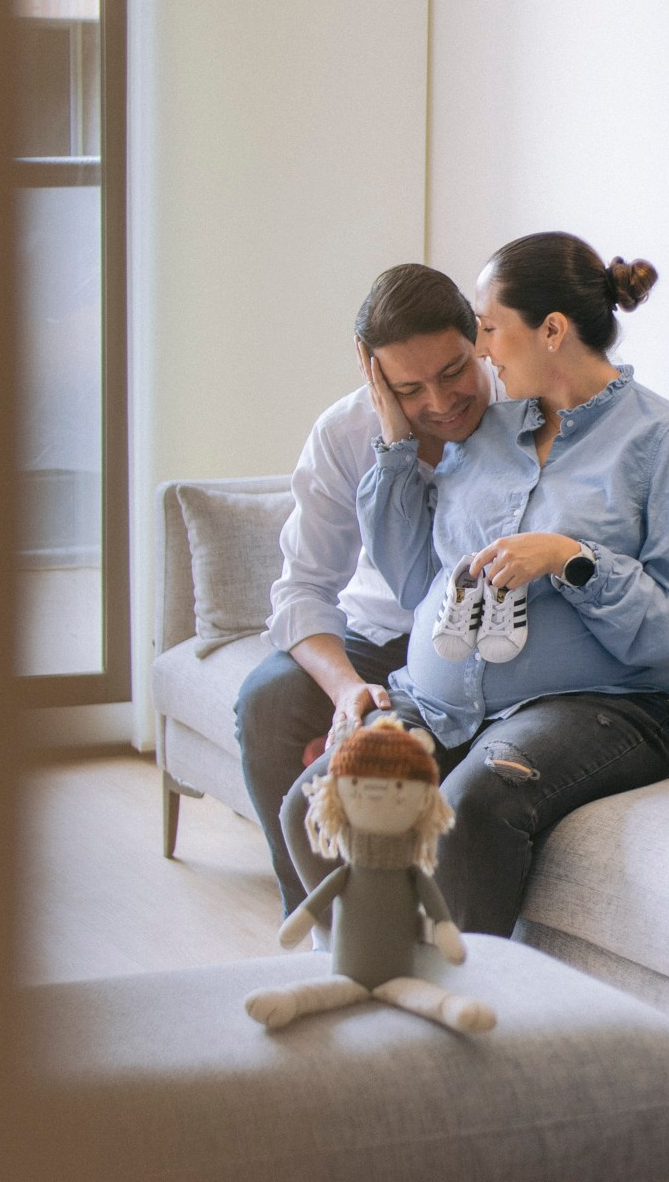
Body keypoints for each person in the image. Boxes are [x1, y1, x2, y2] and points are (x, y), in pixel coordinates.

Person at [281, 231, 669, 937]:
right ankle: (379, 984)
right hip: (446, 704)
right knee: (314, 800)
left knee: (477, 804)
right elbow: (418, 584)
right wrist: (396, 442)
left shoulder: (667, 440)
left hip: (611, 706)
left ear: (551, 330)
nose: (483, 352)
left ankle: (470, 1025)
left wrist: (571, 557)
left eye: (488, 329)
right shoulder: (486, 437)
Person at [236, 264, 502, 915]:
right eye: (409, 387)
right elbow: (302, 589)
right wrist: (348, 688)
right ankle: (322, 923)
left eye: (452, 372)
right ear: (373, 373)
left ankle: (411, 922)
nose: (439, 403)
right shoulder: (344, 432)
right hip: (376, 635)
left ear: (476, 337)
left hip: (475, 642)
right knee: (266, 704)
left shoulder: (520, 416)